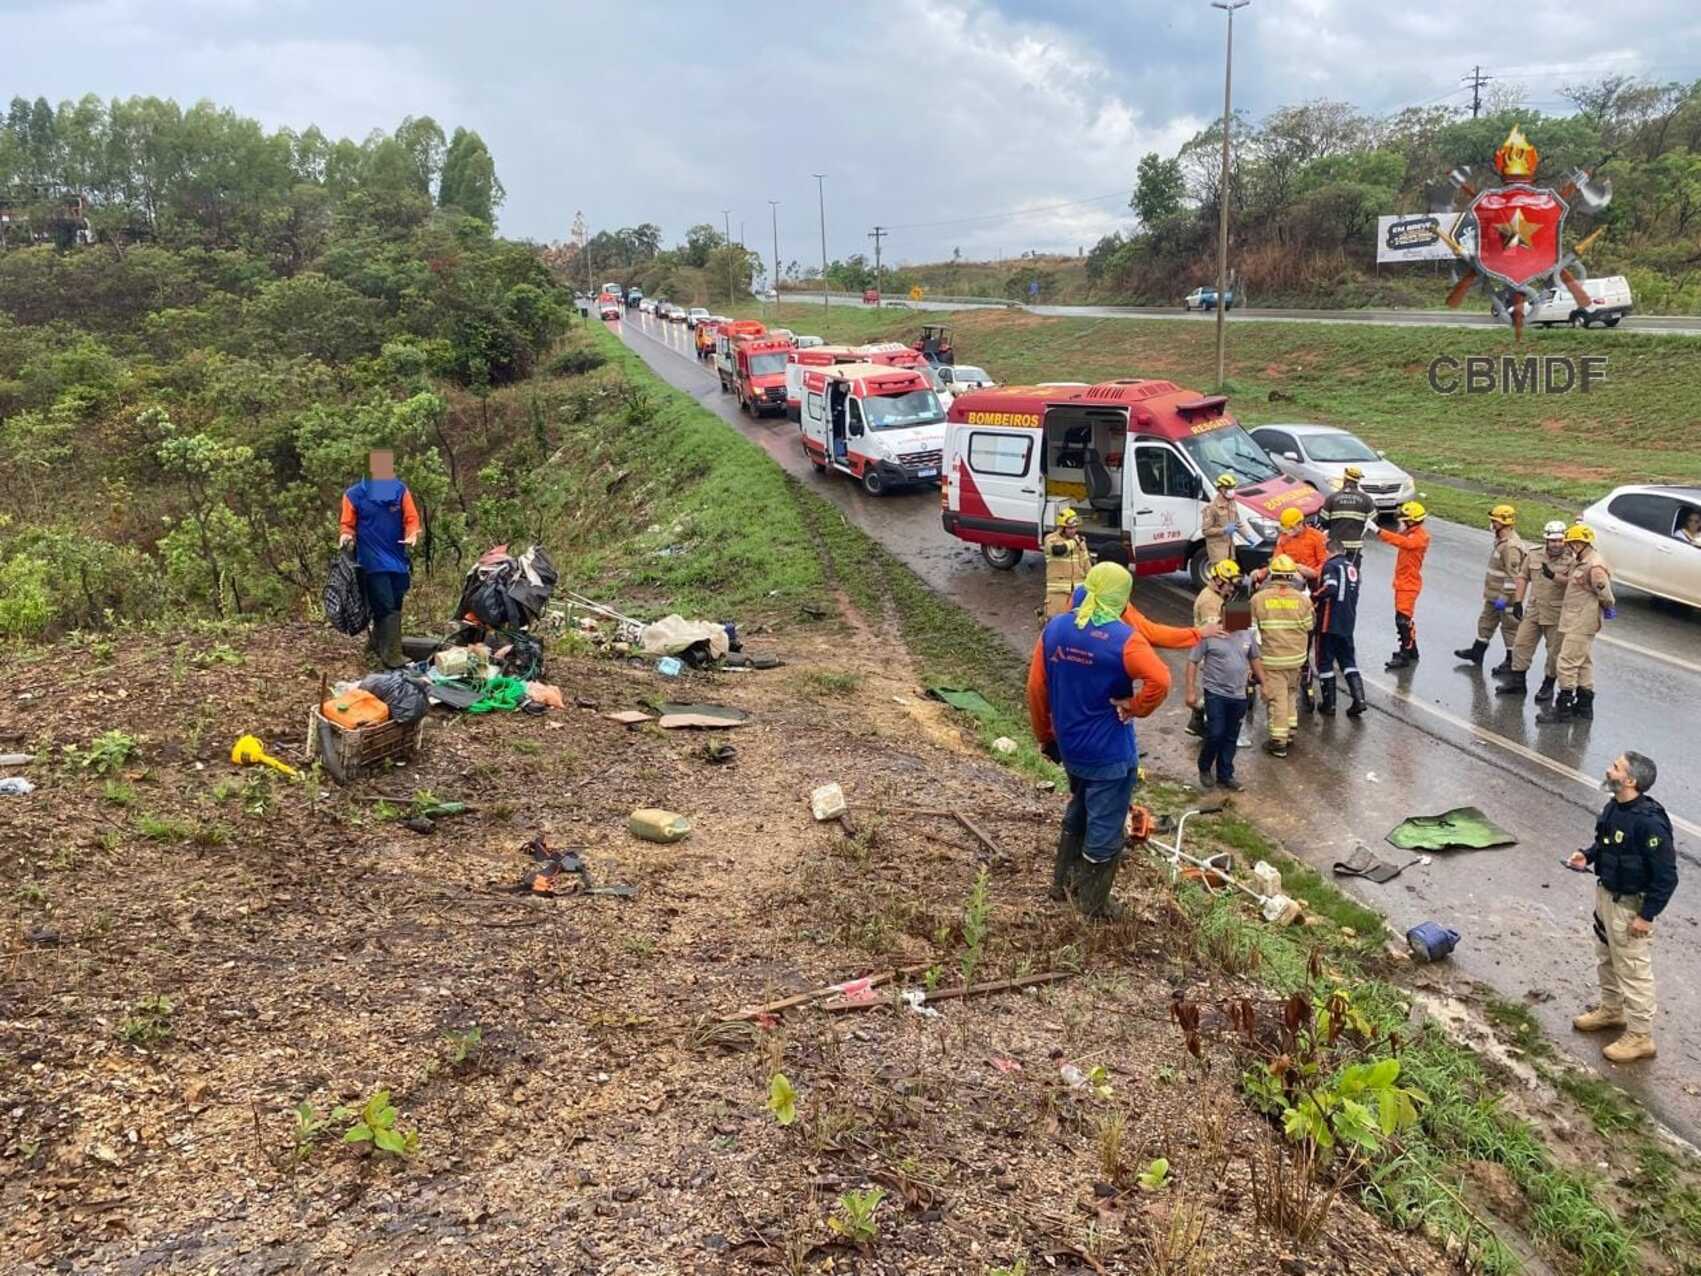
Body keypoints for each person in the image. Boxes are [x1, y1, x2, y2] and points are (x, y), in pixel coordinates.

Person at [1028, 563, 1168, 919]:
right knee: (1105, 828)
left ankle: (1062, 884)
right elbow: (1161, 680)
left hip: (1071, 748)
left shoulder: (1056, 628)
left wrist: (1046, 737)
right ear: (1122, 599)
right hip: (1109, 753)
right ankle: (1092, 906)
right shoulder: (1125, 640)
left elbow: (1036, 689)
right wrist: (1135, 707)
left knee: (1080, 807)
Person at [1567, 752, 1678, 1064]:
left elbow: (1667, 876)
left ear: (1631, 781)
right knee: (1607, 958)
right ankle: (1612, 1011)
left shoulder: (1649, 824)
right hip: (1607, 897)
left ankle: (1641, 1037)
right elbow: (1606, 844)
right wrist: (1586, 856)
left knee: (1633, 969)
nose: (1608, 768)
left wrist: (1646, 916)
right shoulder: (1615, 807)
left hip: (1630, 907)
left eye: (1615, 767)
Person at [339, 449, 421, 670]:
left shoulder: (399, 491)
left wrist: (412, 534)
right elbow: (347, 525)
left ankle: (375, 647)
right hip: (371, 558)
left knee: (396, 601)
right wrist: (346, 537)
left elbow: (411, 518)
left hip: (397, 556)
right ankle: (392, 656)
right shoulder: (354, 495)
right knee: (384, 604)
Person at [1537, 523, 1615, 724]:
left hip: (1582, 620)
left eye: (1571, 543)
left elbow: (1604, 593)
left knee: (1567, 663)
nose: (1568, 547)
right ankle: (1584, 706)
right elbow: (1572, 582)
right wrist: (1553, 576)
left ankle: (1563, 709)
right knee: (1583, 662)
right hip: (1573, 618)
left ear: (1581, 543)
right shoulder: (1580, 561)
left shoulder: (1594, 565)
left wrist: (1608, 607)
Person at [1186, 613, 1266, 792]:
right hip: (1215, 693)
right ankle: (1205, 767)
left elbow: (1255, 659)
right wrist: (1190, 691)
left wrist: (1265, 684)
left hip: (1239, 695)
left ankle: (1225, 774)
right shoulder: (1210, 634)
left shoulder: (1247, 635)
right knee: (1215, 732)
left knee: (1231, 736)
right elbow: (1192, 661)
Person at [1495, 520, 1572, 702]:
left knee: (1554, 651)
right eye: (1553, 541)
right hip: (1534, 610)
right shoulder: (1535, 554)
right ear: (1546, 540)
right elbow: (1522, 576)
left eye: (1560, 541)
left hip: (1556, 613)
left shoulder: (1572, 559)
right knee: (1521, 645)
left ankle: (1548, 685)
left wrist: (1554, 576)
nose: (1556, 545)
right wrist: (1518, 601)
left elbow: (1573, 583)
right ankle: (1517, 683)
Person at [1249, 554, 1314, 758]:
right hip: (1296, 657)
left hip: (1272, 658)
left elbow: (1246, 629)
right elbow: (1309, 626)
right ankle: (1290, 731)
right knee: (1290, 693)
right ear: (1291, 576)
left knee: (1277, 699)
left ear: (1273, 575)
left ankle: (1278, 742)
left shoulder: (1258, 598)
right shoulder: (1303, 600)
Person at [1455, 504, 1526, 672]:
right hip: (1493, 595)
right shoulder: (1501, 541)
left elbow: (1513, 576)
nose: (1492, 524)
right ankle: (1477, 652)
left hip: (1506, 598)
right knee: (1486, 622)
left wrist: (1503, 597)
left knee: (1509, 628)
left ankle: (1511, 662)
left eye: (1494, 521)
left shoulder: (1510, 547)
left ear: (1504, 523)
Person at [1186, 559, 1242, 737]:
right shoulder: (1210, 602)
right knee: (1218, 692)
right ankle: (1206, 727)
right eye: (1229, 585)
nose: (1232, 589)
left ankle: (1198, 722)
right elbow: (1216, 632)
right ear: (1218, 581)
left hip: (1212, 653)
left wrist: (1242, 615)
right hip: (1213, 655)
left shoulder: (1216, 597)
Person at [1313, 537, 1366, 718]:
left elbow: (1331, 588)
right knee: (1348, 661)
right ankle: (1359, 700)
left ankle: (1329, 704)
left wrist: (1312, 597)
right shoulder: (1353, 568)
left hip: (1329, 622)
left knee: (1324, 661)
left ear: (1329, 551)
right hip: (1348, 621)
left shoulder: (1331, 566)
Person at [1378, 500, 1430, 669]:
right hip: (1403, 583)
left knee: (1402, 620)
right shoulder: (1411, 534)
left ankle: (1404, 654)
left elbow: (1401, 542)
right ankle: (1412, 650)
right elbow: (1399, 539)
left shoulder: (1418, 537)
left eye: (1403, 520)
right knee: (1404, 619)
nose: (1400, 523)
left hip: (1409, 584)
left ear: (1411, 521)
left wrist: (1378, 531)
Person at [1041, 506, 1094, 620]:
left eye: (1075, 527)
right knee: (1053, 625)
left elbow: (1087, 565)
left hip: (1077, 594)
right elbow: (1058, 550)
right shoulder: (1051, 539)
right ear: (1061, 528)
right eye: (1069, 528)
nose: (1073, 530)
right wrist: (1075, 541)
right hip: (1057, 594)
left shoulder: (1080, 542)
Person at [1321, 466, 1376, 555]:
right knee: (1352, 568)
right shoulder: (1367, 499)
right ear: (1358, 480)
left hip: (1335, 546)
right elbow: (1373, 521)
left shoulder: (1331, 498)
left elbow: (1323, 521)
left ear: (1344, 478)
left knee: (1335, 568)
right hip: (1354, 546)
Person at [1201, 474, 1240, 565]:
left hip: (1230, 549)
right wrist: (1224, 530)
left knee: (1230, 575)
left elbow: (1237, 522)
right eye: (1230, 487)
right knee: (1219, 577)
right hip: (1217, 551)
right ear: (1222, 489)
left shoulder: (1232, 503)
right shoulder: (1212, 508)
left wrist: (1249, 537)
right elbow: (1206, 531)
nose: (1232, 490)